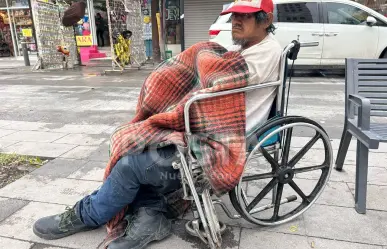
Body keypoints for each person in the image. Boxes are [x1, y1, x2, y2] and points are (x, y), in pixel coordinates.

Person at [32, 0, 282, 249]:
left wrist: (202, 55)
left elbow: (221, 78)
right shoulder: (246, 47)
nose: (235, 21)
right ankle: (150, 218)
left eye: (245, 16)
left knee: (130, 166)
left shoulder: (265, 52)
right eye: (234, 15)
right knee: (133, 140)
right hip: (206, 126)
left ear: (266, 20)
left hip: (222, 138)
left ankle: (87, 216)